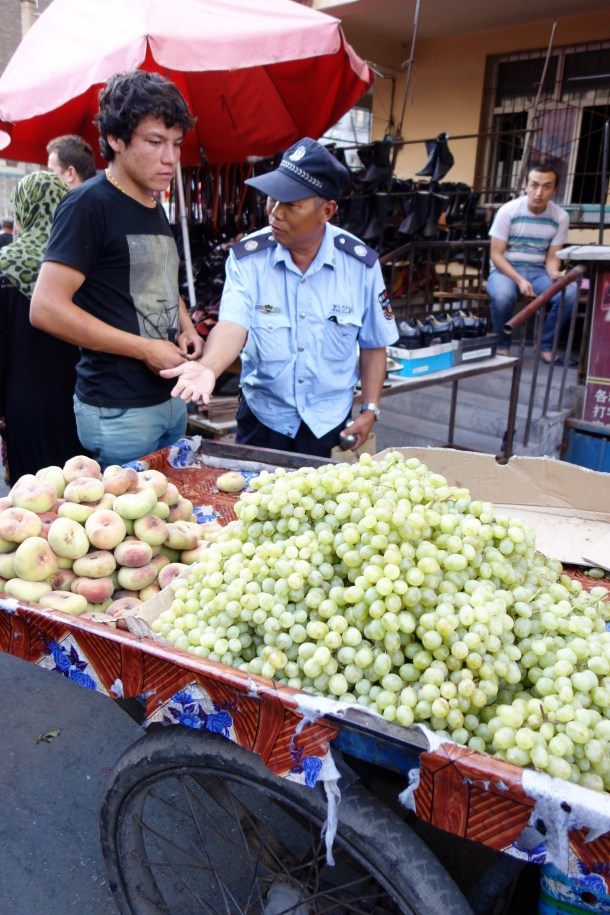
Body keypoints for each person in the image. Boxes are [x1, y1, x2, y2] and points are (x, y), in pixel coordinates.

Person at [162, 137, 399, 458]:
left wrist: (370, 410)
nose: (275, 212)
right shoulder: (248, 258)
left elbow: (373, 344)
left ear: (326, 211)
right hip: (263, 418)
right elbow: (233, 325)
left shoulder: (360, 265)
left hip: (328, 423)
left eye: (291, 204)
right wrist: (209, 368)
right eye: (272, 199)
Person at [30, 70, 204, 469]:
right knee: (128, 529)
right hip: (118, 410)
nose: (170, 158)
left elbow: (157, 278)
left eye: (176, 144)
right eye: (155, 142)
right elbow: (45, 308)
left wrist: (186, 326)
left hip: (171, 398)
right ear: (115, 139)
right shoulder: (87, 205)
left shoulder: (152, 203)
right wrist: (144, 348)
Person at [0, 172, 83, 482]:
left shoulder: (5, 263)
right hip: (80, 393)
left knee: (35, 496)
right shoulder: (78, 258)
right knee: (80, 489)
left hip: (24, 397)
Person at [487, 163, 578, 362]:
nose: (539, 192)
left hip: (538, 271)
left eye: (546, 186)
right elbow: (496, 255)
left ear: (555, 190)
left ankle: (544, 345)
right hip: (506, 269)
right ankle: (502, 345)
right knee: (503, 296)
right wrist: (519, 280)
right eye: (534, 185)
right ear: (526, 187)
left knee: (569, 293)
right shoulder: (508, 211)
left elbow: (553, 256)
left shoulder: (560, 216)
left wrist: (554, 273)